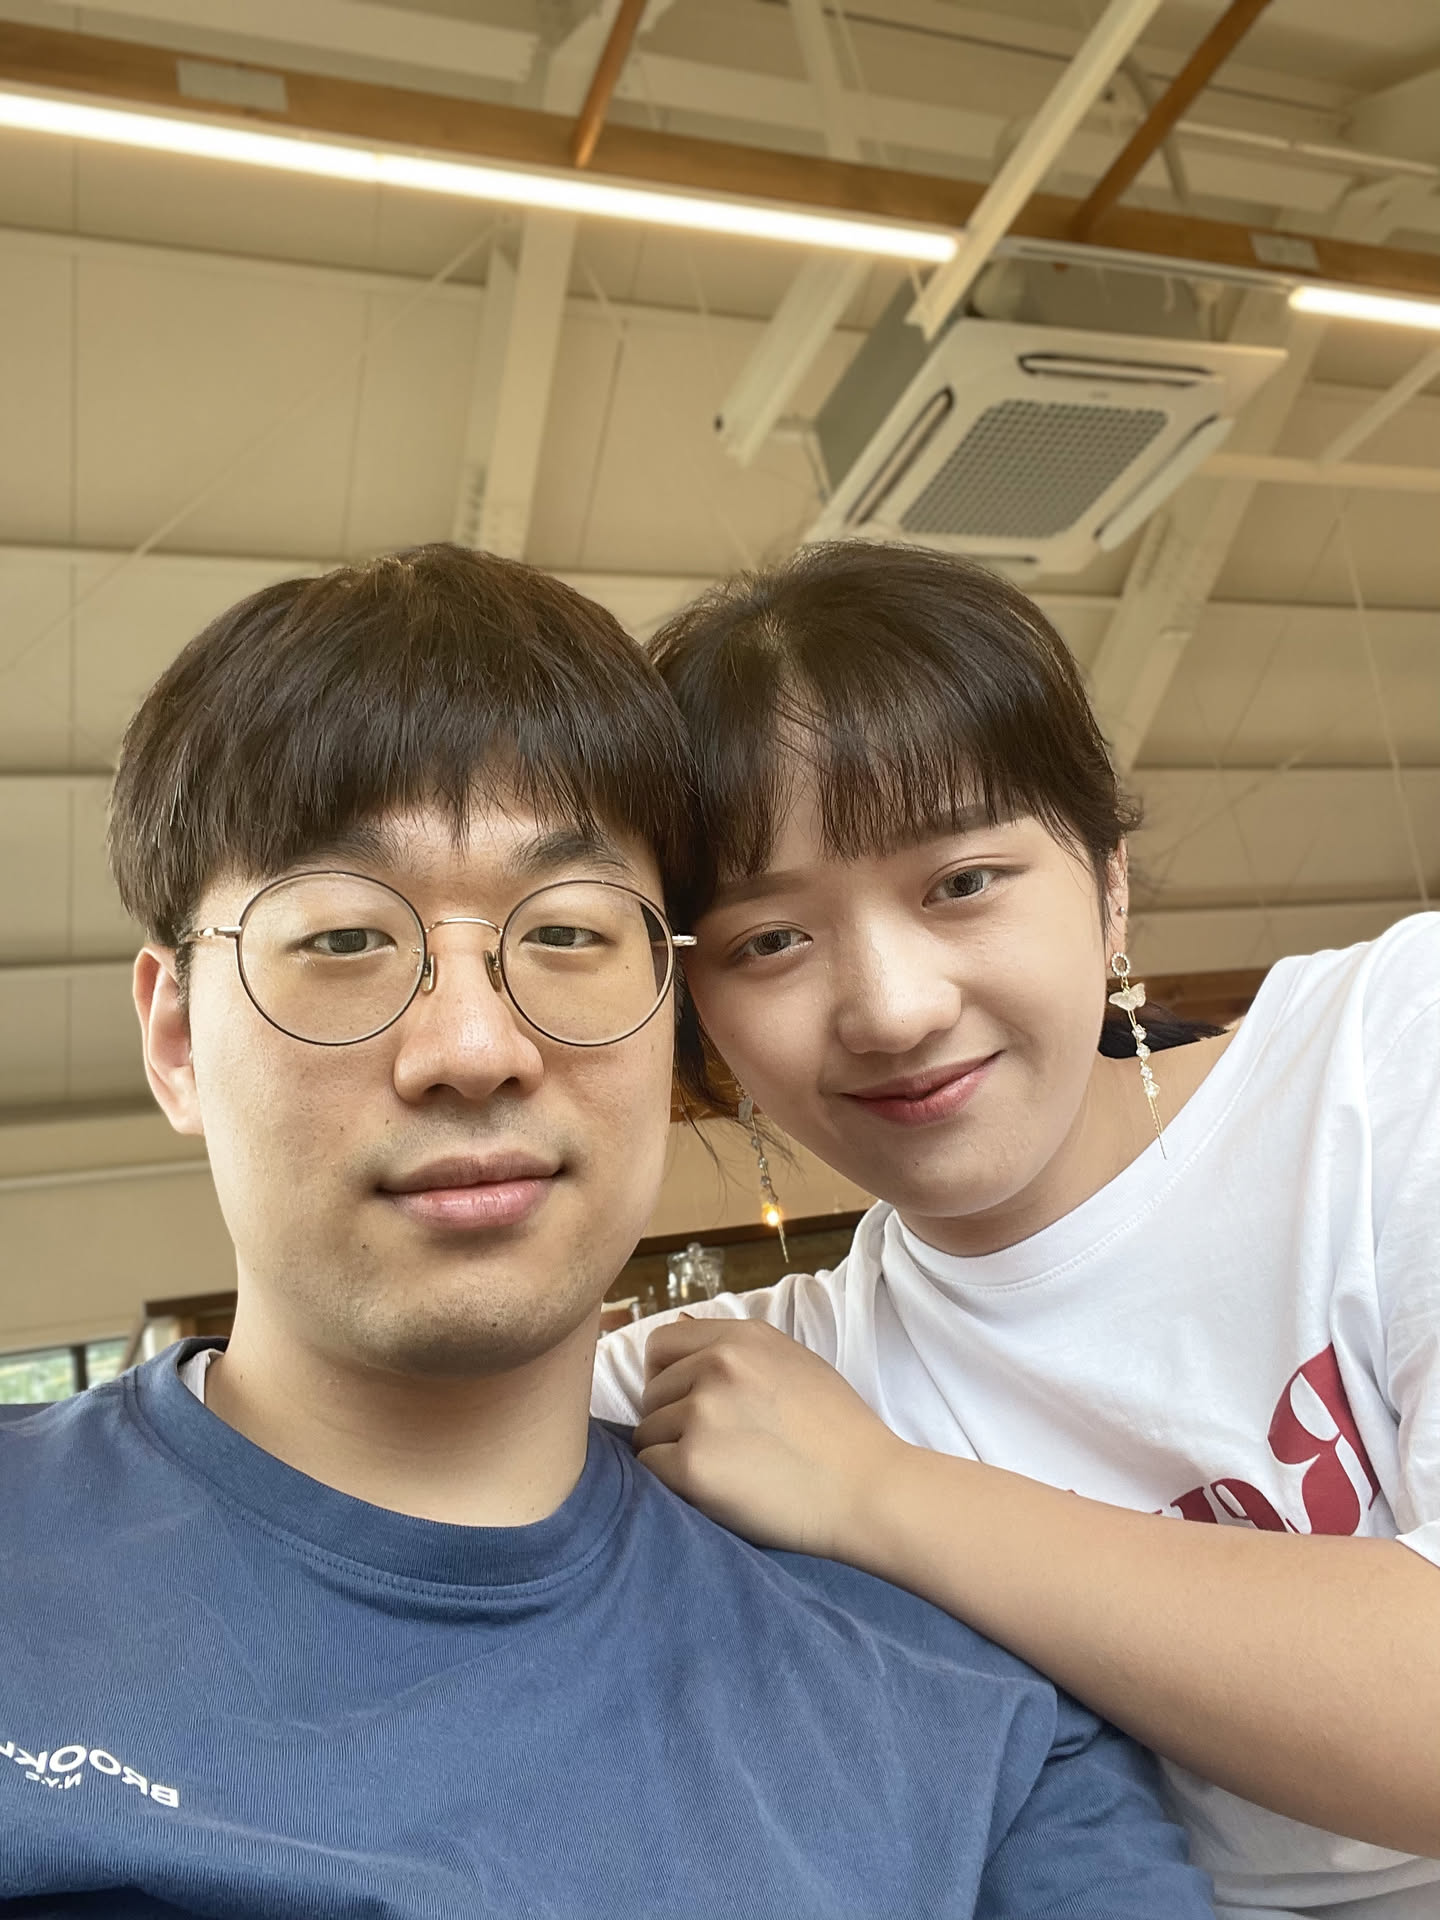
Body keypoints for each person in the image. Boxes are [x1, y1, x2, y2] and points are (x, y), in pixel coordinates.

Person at [0, 544, 1212, 1920]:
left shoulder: (975, 1726)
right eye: (342, 940)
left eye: (570, 933)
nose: (474, 1047)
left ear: (670, 1011)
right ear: (176, 1041)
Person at [591, 540, 1440, 1920]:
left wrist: (880, 1494)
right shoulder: (771, 1380)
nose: (892, 1008)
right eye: (768, 942)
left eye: (963, 883)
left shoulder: (1387, 1055)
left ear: (1108, 885)